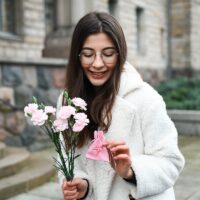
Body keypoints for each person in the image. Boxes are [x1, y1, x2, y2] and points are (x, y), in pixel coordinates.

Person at [57, 11, 185, 200]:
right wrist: (81, 184)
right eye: (88, 54)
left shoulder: (146, 99)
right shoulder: (67, 102)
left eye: (108, 54)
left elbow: (171, 162)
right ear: (77, 56)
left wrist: (130, 170)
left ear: (120, 54)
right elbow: (66, 156)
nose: (98, 63)